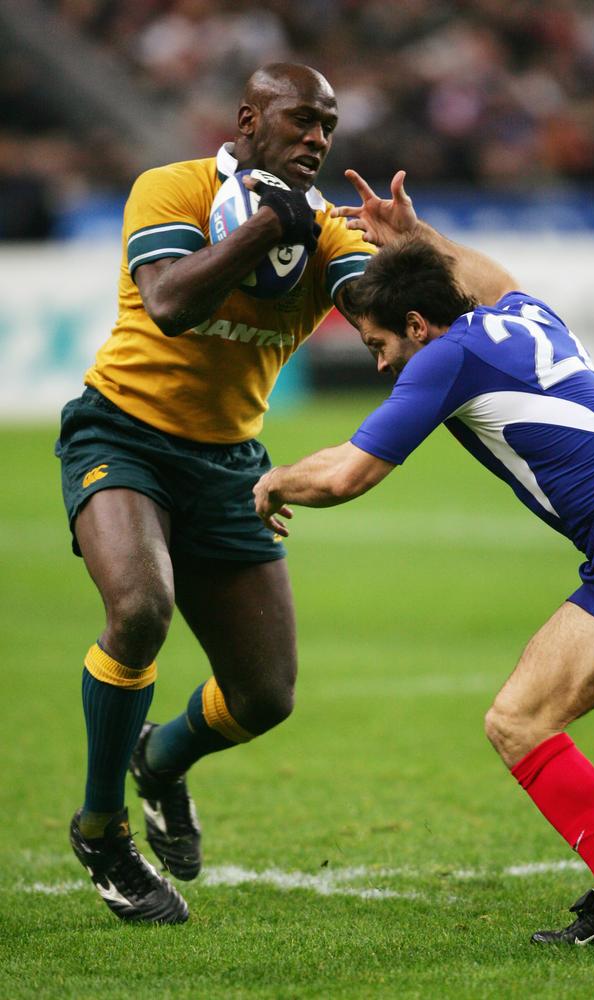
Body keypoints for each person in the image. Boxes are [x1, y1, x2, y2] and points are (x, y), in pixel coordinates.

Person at [254, 169, 594, 945]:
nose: (378, 364)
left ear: (416, 324)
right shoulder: (518, 313)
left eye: (377, 345)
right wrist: (417, 236)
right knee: (519, 721)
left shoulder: (444, 358)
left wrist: (272, 480)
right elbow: (484, 277)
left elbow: (346, 475)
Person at [55, 63, 375, 924]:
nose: (316, 138)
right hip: (120, 435)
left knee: (266, 696)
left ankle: (159, 763)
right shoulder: (174, 188)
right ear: (248, 117)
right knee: (140, 609)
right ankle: (101, 829)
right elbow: (167, 302)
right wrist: (269, 225)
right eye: (301, 120)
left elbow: (379, 311)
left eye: (328, 127)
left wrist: (403, 257)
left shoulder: (328, 231)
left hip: (232, 465)